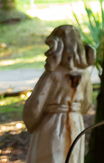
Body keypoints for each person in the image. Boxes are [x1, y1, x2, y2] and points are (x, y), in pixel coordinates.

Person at [23, 25, 95, 163]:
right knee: (72, 157)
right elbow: (86, 103)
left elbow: (37, 103)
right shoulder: (85, 74)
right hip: (75, 122)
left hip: (52, 125)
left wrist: (31, 121)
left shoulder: (52, 75)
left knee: (50, 157)